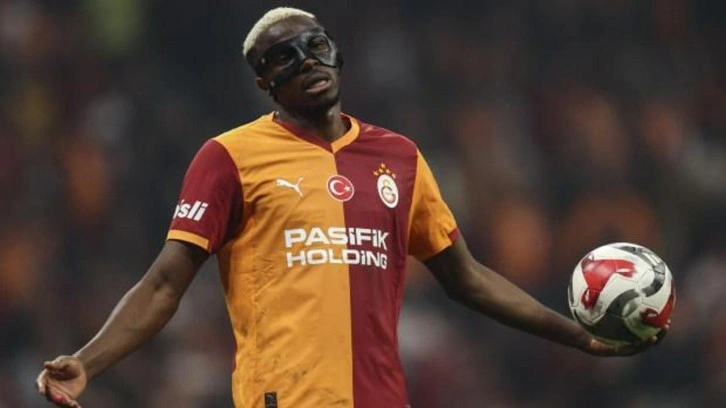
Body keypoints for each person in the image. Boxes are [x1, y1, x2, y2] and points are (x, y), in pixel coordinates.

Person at [36, 7, 668, 408]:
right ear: (264, 83)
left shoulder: (400, 157)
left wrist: (575, 335)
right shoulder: (229, 157)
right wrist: (87, 362)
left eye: (314, 46)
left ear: (336, 53)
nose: (305, 62)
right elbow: (162, 286)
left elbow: (467, 279)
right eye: (282, 58)